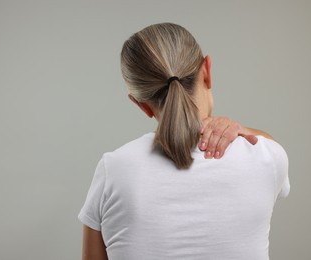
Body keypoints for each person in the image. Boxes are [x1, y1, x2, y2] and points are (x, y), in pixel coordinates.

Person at [78, 23, 289, 260]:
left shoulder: (114, 170)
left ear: (141, 104)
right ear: (207, 70)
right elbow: (271, 146)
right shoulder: (265, 158)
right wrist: (242, 129)